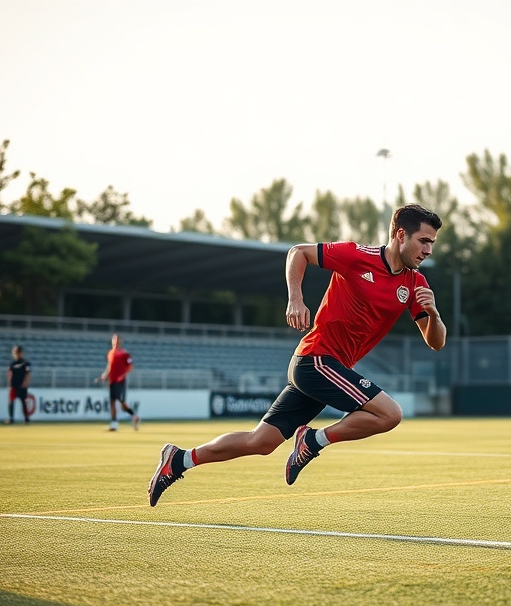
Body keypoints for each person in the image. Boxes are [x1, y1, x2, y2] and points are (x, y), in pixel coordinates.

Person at [148, 203, 446, 506]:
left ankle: (180, 460)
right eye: (424, 241)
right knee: (390, 414)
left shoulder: (415, 284)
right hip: (315, 360)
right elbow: (298, 252)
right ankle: (313, 440)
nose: (429, 250)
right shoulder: (357, 256)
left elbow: (436, 343)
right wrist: (295, 299)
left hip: (326, 370)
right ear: (400, 235)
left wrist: (433, 314)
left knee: (261, 442)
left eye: (432, 243)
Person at [97, 333, 140, 431]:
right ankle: (115, 424)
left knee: (121, 403)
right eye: (114, 340)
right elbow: (109, 366)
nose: (116, 342)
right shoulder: (110, 353)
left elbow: (130, 367)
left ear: (121, 342)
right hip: (112, 381)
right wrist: (105, 375)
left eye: (117, 340)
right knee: (113, 402)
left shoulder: (124, 354)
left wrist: (122, 375)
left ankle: (132, 417)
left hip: (120, 381)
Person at [6, 345, 31, 424]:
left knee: (24, 402)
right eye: (14, 352)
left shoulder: (25, 363)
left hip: (22, 386)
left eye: (16, 352)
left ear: (20, 353)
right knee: (11, 402)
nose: (14, 354)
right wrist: (10, 385)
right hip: (14, 386)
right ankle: (11, 419)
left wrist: (25, 384)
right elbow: (10, 374)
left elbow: (28, 374)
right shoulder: (12, 364)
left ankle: (26, 418)